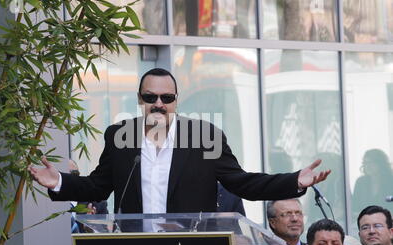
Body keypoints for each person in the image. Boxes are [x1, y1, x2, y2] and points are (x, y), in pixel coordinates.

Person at [29, 68, 330, 214]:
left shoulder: (204, 136)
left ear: (176, 100)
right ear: (139, 99)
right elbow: (98, 186)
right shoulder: (120, 136)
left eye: (166, 97)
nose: (158, 103)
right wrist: (59, 181)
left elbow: (241, 183)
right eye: (150, 97)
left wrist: (295, 181)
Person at [352, 149, 393, 215]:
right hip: (365, 220)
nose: (367, 166)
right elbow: (354, 207)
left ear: (381, 164)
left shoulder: (390, 181)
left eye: (371, 162)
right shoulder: (360, 182)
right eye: (365, 163)